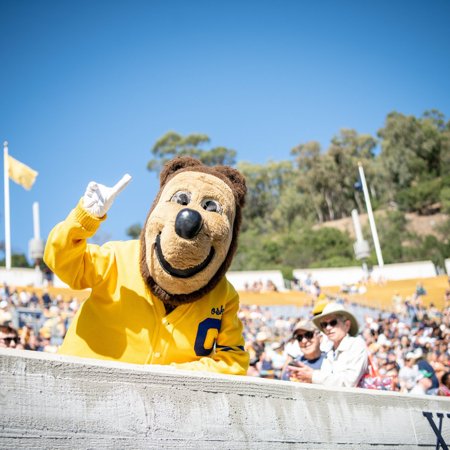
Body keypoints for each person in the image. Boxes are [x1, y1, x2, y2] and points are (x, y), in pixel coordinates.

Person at [289, 302, 368, 387]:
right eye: (324, 324)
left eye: (333, 322)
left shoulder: (356, 345)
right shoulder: (330, 351)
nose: (328, 328)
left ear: (347, 325)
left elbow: (348, 383)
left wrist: (313, 376)